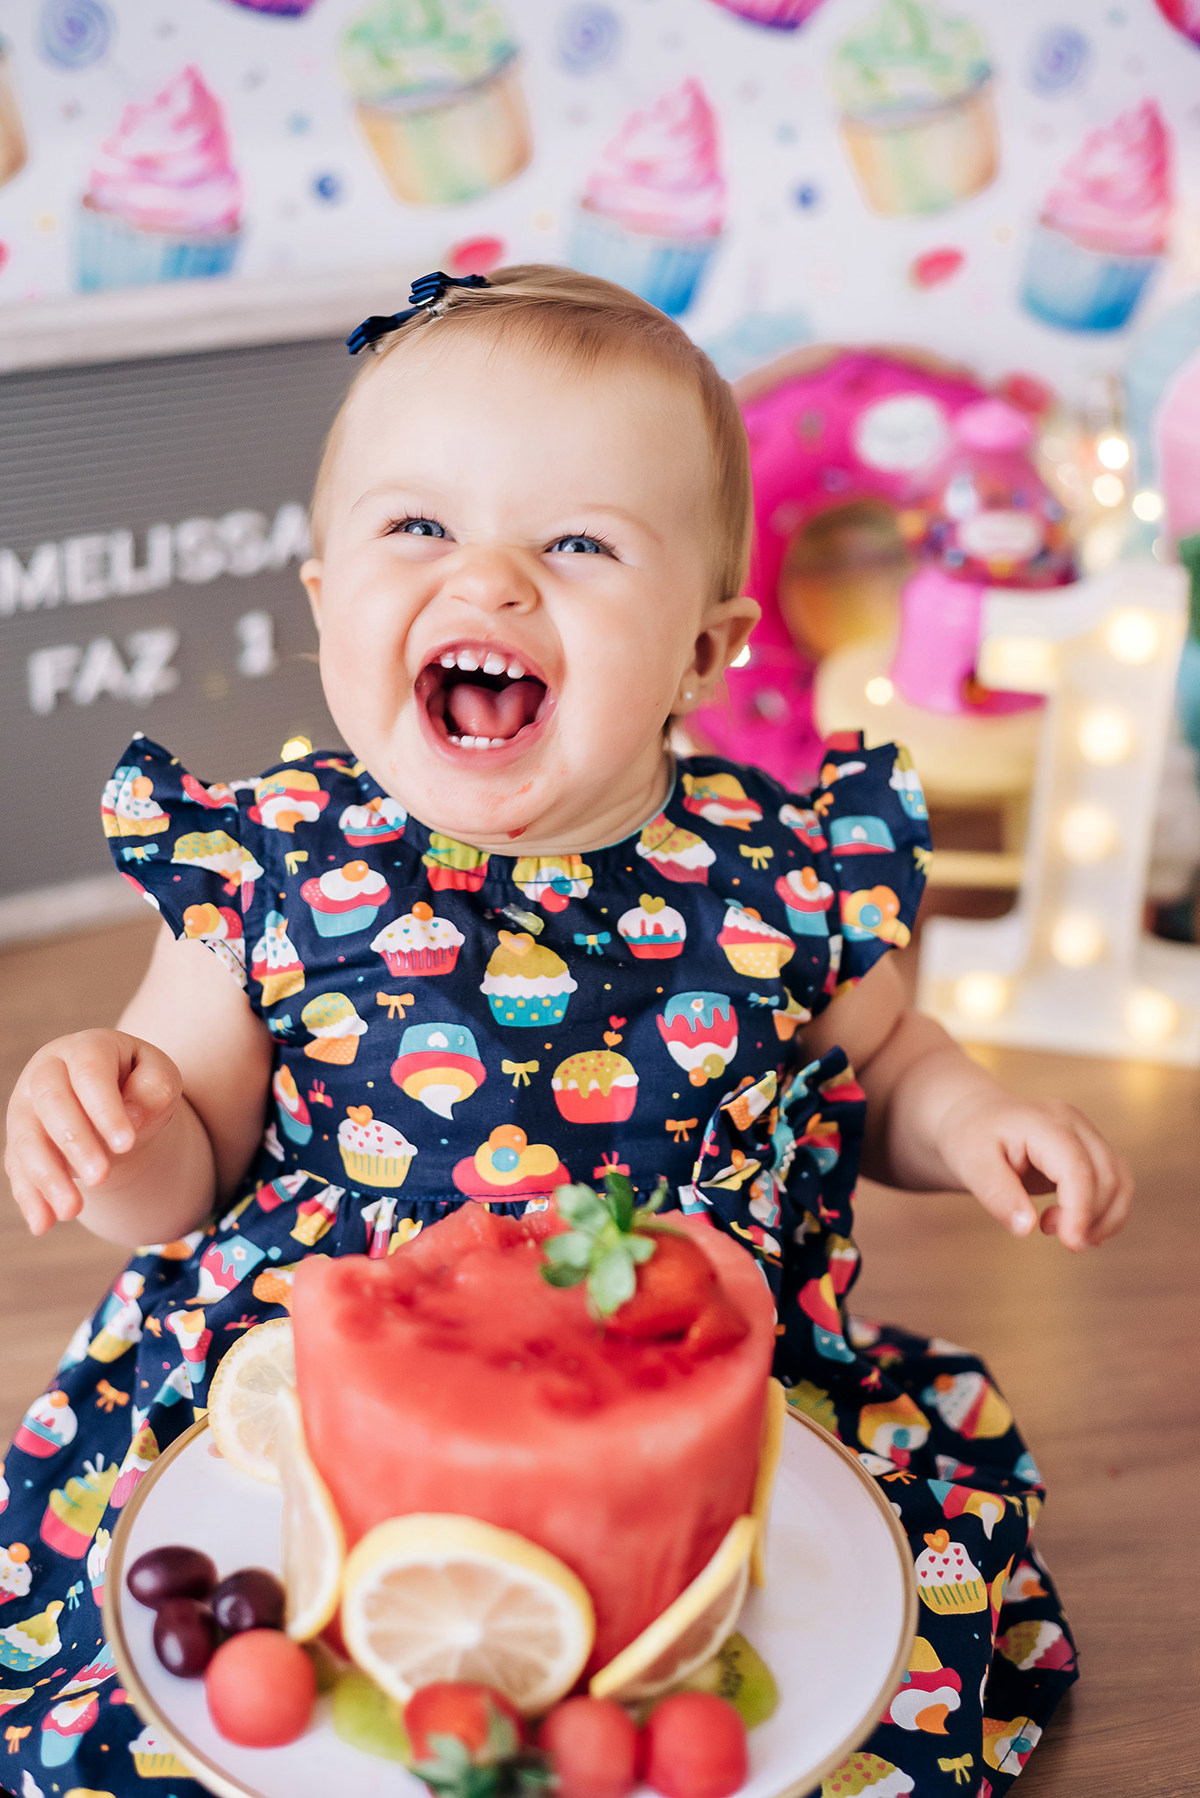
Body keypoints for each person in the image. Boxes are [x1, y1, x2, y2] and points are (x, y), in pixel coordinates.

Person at [1, 267, 1130, 1796]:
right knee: (184, 1712)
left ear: (706, 652)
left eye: (578, 544)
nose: (491, 583)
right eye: (420, 526)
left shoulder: (776, 869)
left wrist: (976, 1117)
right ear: (325, 601)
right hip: (345, 1387)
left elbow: (883, 1067)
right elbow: (183, 1169)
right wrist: (113, 1122)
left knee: (838, 1677)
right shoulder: (271, 864)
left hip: (683, 1380)